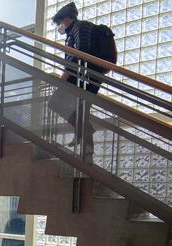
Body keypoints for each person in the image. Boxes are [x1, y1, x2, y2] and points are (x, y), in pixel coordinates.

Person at [50, 2, 117, 160]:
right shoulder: (72, 33)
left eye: (59, 22)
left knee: (55, 102)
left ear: (67, 18)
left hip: (86, 77)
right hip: (85, 76)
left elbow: (81, 52)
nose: (58, 26)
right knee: (82, 113)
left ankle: (84, 135)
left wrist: (64, 76)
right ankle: (86, 149)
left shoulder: (81, 26)